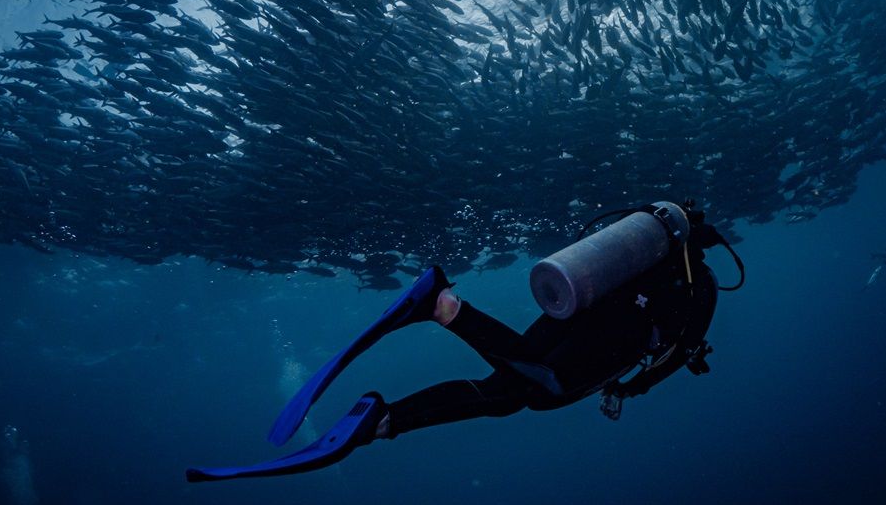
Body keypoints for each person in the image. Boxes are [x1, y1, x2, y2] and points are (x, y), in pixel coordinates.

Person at [186, 201, 741, 482]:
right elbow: (679, 352)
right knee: (543, 391)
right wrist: (630, 389)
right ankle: (444, 308)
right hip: (613, 339)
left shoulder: (646, 253)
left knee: (507, 390)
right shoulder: (702, 285)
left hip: (576, 309)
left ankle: (385, 420)